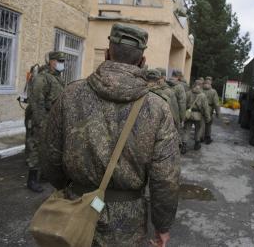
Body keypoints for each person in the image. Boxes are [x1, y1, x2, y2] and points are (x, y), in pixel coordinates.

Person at [41, 23, 180, 247]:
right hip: (128, 224)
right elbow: (166, 178)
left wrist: (70, 188)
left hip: (75, 212)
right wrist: (162, 226)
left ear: (107, 53)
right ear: (142, 62)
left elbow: (49, 156)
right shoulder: (157, 108)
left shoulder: (70, 95)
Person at [25, 51, 66, 193]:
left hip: (51, 119)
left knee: (47, 148)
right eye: (59, 61)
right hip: (40, 118)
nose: (62, 63)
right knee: (35, 146)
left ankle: (43, 175)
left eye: (63, 61)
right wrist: (41, 122)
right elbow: (37, 102)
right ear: (51, 61)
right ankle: (32, 180)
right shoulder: (42, 78)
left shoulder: (57, 78)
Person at [184, 82, 211, 152]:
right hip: (198, 115)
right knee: (198, 130)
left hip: (188, 114)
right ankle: (196, 144)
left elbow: (183, 104)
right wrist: (208, 118)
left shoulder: (187, 93)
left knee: (187, 130)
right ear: (200, 87)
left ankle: (184, 146)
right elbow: (205, 108)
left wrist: (183, 114)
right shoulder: (202, 95)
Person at [202, 78, 220, 144]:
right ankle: (207, 137)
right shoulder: (213, 91)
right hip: (209, 109)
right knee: (208, 123)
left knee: (201, 123)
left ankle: (200, 137)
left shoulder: (201, 90)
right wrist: (218, 112)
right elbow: (216, 103)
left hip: (201, 109)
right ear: (210, 83)